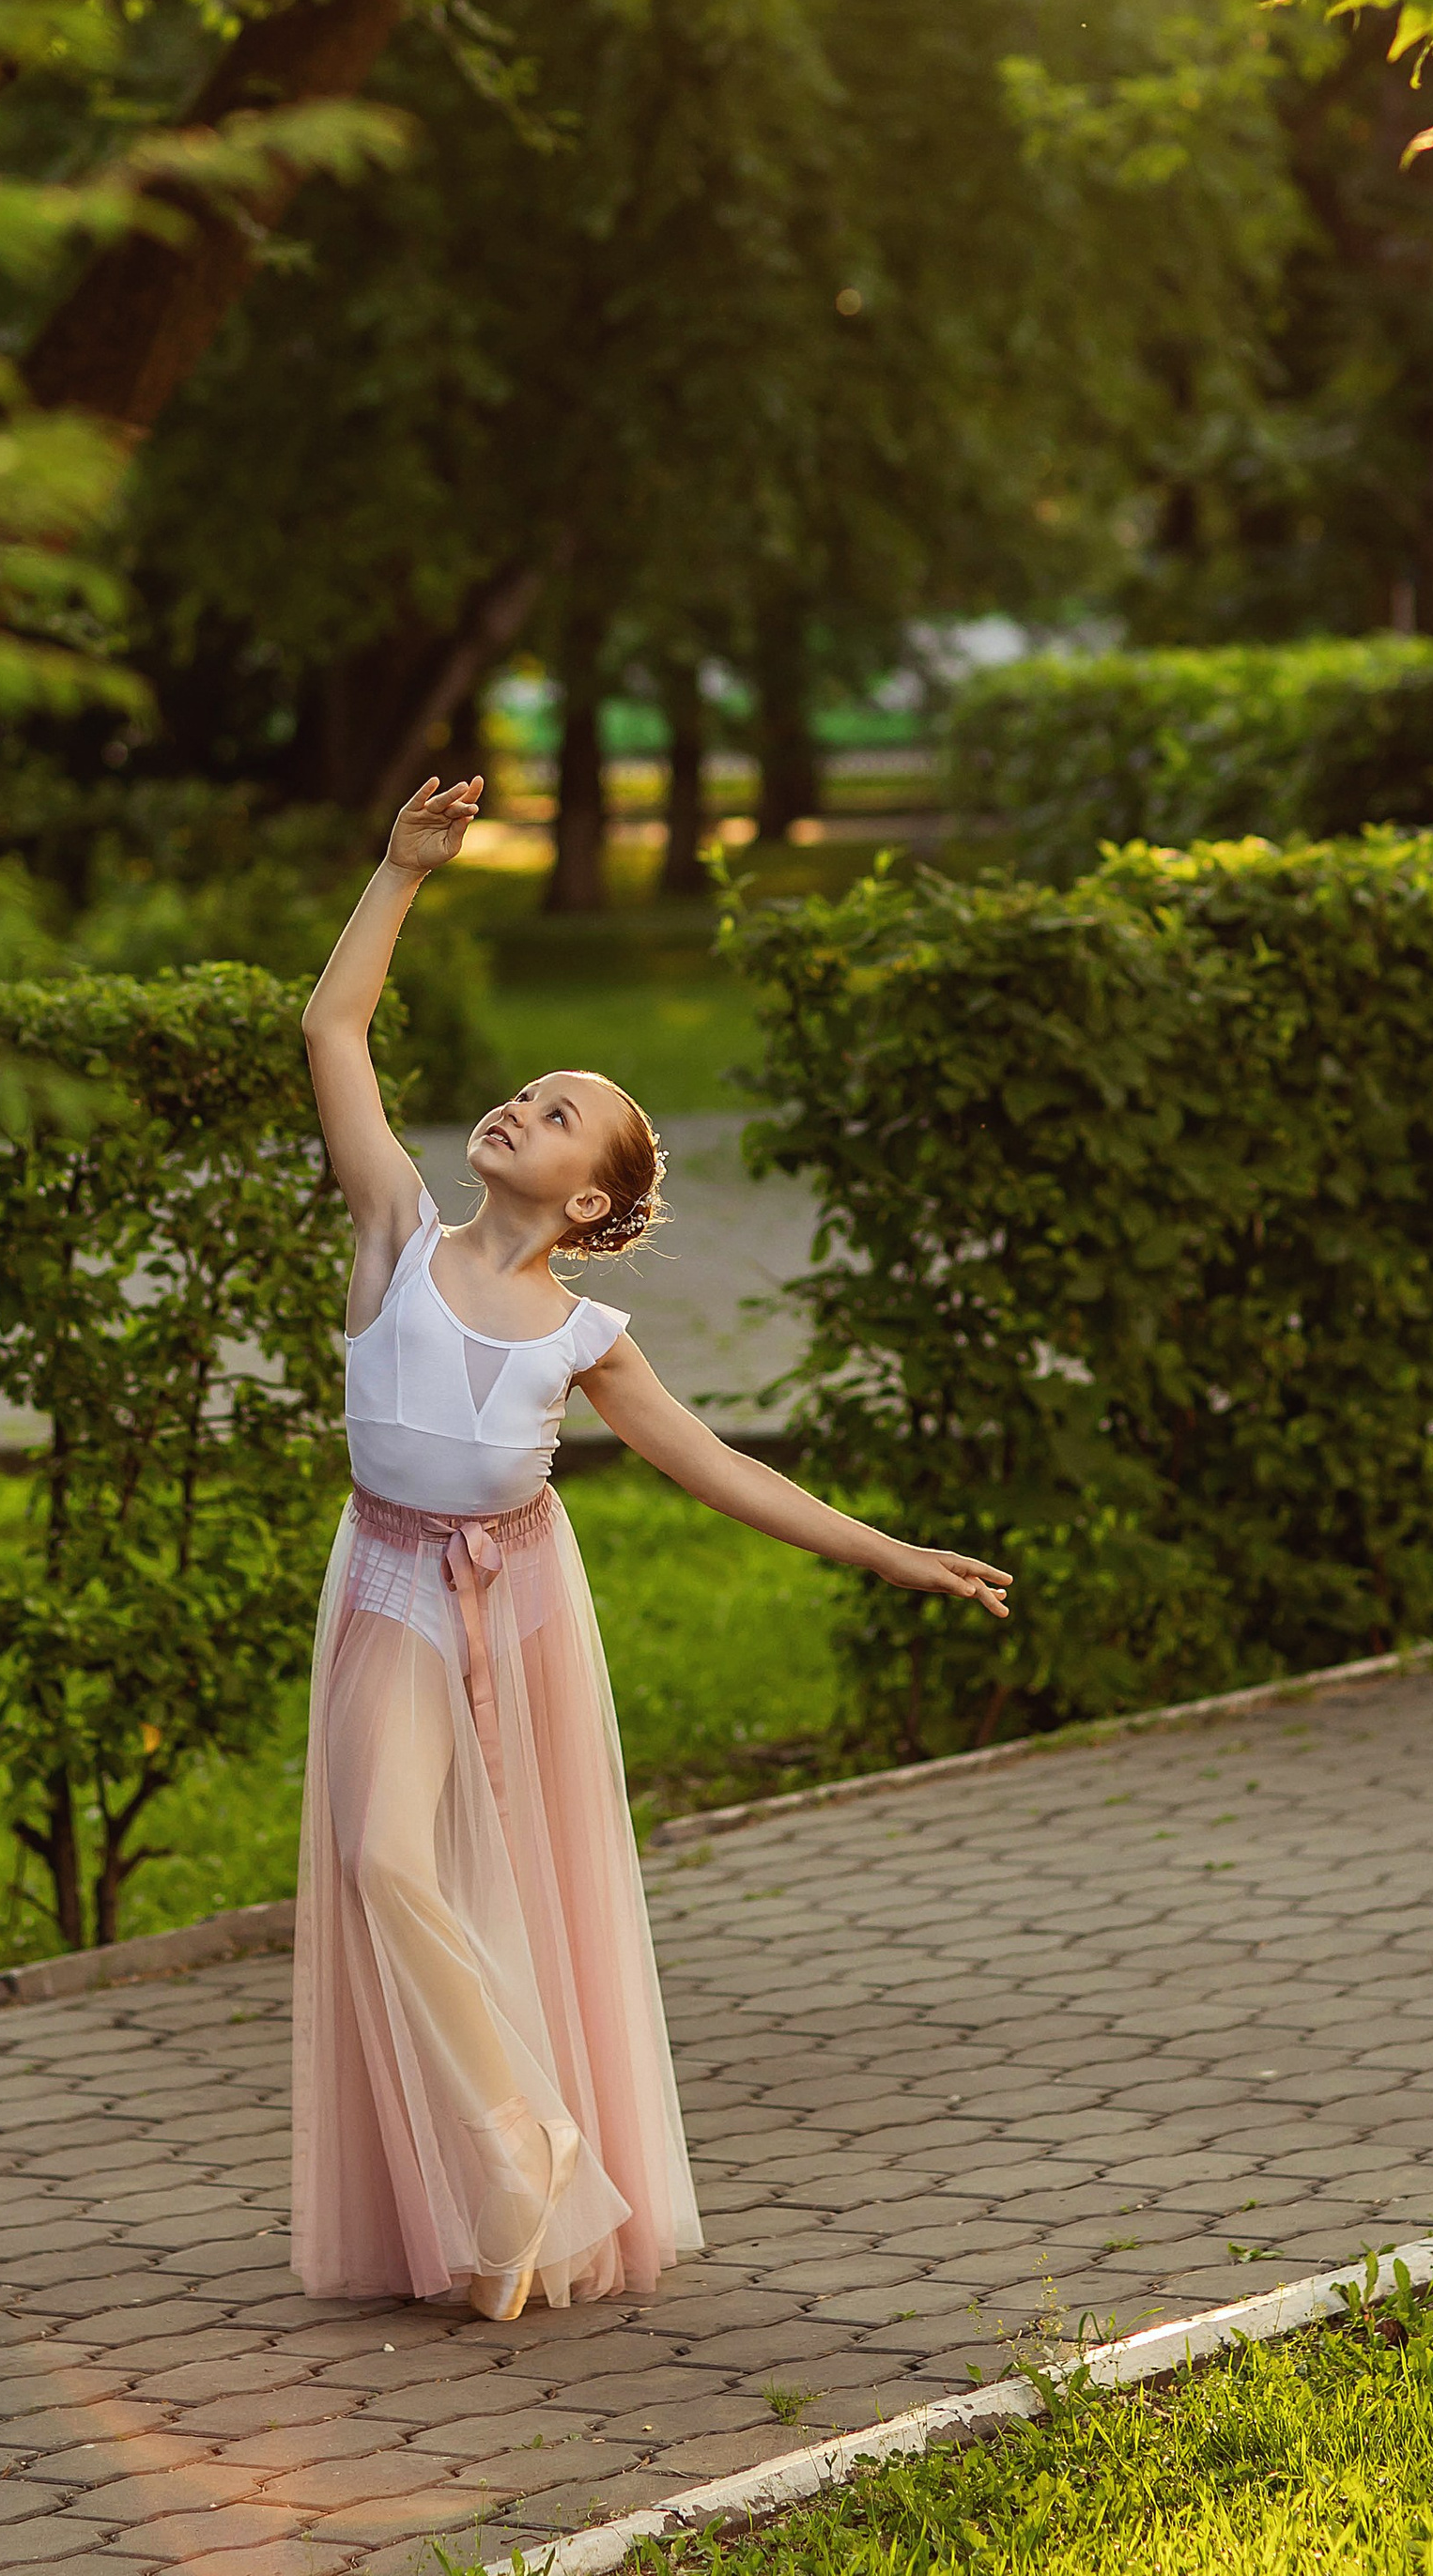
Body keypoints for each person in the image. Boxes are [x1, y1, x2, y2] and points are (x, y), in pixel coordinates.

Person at [292, 770, 1011, 2320]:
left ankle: (527, 2165)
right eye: (525, 1092)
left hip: (518, 1603)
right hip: (394, 1588)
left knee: (510, 1880)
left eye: (560, 1116)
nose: (520, 1110)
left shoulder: (587, 1338)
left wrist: (893, 1552)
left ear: (595, 1194)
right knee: (382, 1861)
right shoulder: (394, 1227)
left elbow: (720, 1471)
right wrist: (401, 872)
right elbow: (333, 1034)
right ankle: (529, 2140)